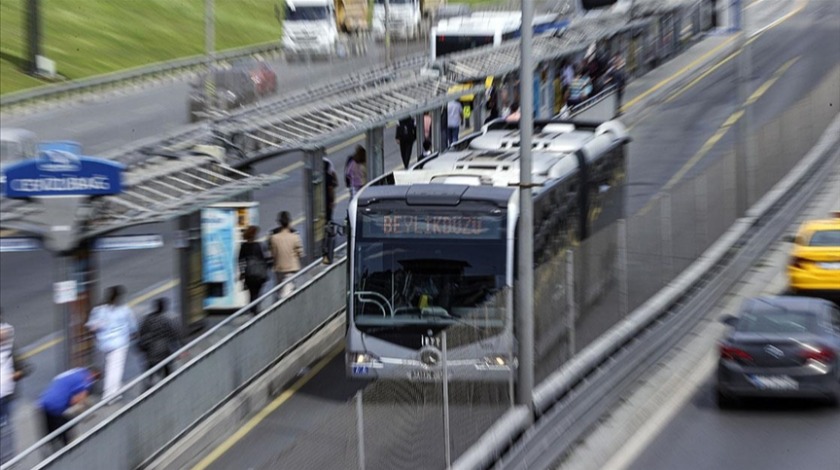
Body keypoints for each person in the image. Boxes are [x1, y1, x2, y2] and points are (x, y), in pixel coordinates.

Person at [85, 285, 137, 403]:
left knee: (106, 367)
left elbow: (92, 327)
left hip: (102, 343)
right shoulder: (124, 310)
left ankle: (113, 387)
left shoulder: (99, 310)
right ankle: (110, 395)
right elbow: (133, 327)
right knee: (115, 369)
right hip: (119, 342)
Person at [38, 367, 100, 452]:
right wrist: (85, 409)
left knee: (50, 434)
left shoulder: (77, 371)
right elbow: (75, 400)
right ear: (94, 375)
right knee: (66, 432)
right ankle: (68, 451)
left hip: (44, 401)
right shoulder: (87, 381)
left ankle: (49, 451)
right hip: (57, 405)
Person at [1, 310, 31, 464]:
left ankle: (7, 459)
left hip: (5, 394)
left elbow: (25, 367)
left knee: (5, 427)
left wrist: (16, 374)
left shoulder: (9, 348)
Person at [138, 298, 182, 388]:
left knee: (150, 371)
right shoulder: (166, 320)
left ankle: (148, 387)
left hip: (150, 351)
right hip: (163, 351)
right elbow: (174, 335)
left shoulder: (147, 319)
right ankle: (167, 387)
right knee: (167, 372)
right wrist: (180, 348)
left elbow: (141, 333)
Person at [269, 211, 304, 299]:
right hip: (291, 268)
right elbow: (300, 253)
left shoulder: (274, 238)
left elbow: (272, 253)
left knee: (279, 290)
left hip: (279, 268)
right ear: (289, 222)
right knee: (287, 292)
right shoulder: (295, 237)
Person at [238, 225, 269, 310]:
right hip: (259, 274)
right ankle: (255, 308)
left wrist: (242, 273)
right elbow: (265, 259)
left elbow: (240, 261)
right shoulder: (259, 245)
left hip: (249, 274)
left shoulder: (244, 246)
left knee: (251, 293)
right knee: (257, 293)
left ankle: (253, 309)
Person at [323, 157, 339, 223]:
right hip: (327, 201)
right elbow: (331, 189)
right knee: (328, 218)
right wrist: (332, 200)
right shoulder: (328, 177)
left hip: (319, 201)